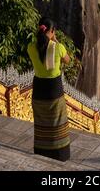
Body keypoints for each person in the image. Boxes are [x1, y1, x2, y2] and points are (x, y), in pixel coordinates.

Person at [27, 18, 71, 162]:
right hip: (54, 89)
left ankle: (41, 152)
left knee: (41, 122)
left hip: (39, 88)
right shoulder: (58, 48)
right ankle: (59, 154)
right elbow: (67, 60)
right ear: (52, 31)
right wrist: (56, 41)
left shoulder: (31, 47)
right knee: (57, 122)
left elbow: (40, 51)